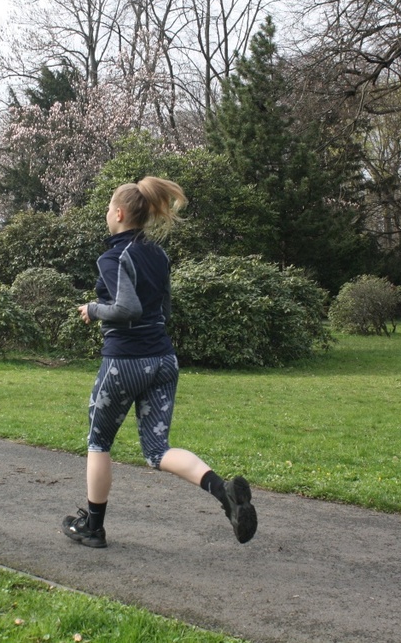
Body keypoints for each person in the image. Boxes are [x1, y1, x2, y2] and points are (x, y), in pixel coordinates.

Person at [62, 176, 257, 549]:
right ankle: (224, 492)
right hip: (163, 360)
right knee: (157, 450)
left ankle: (93, 527)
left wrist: (93, 309)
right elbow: (163, 310)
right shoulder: (158, 255)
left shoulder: (113, 257)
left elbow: (127, 308)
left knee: (98, 442)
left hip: (124, 362)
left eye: (108, 208)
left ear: (119, 213)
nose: (107, 214)